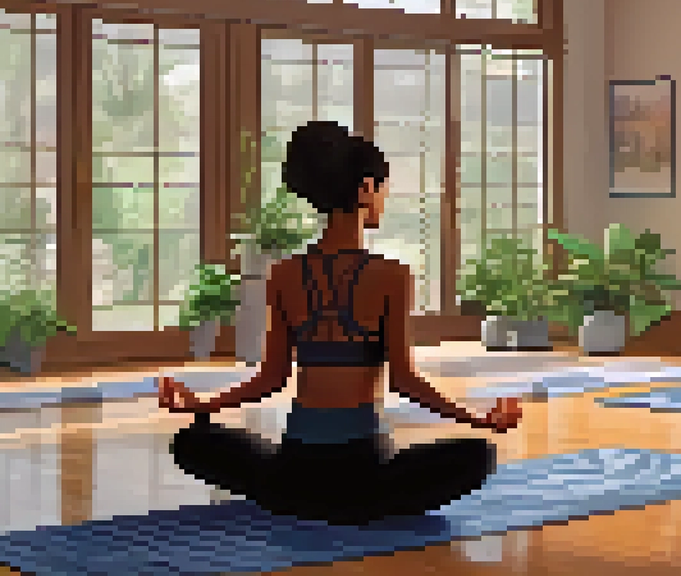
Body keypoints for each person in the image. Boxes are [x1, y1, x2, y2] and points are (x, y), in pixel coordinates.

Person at [159, 120, 521, 526]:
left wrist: (201, 404)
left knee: (193, 443)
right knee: (477, 456)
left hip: (293, 477)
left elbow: (271, 378)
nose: (385, 199)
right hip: (364, 476)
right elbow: (405, 381)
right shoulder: (392, 276)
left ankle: (299, 498)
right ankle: (362, 504)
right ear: (366, 189)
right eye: (384, 188)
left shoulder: (283, 274)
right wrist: (479, 418)